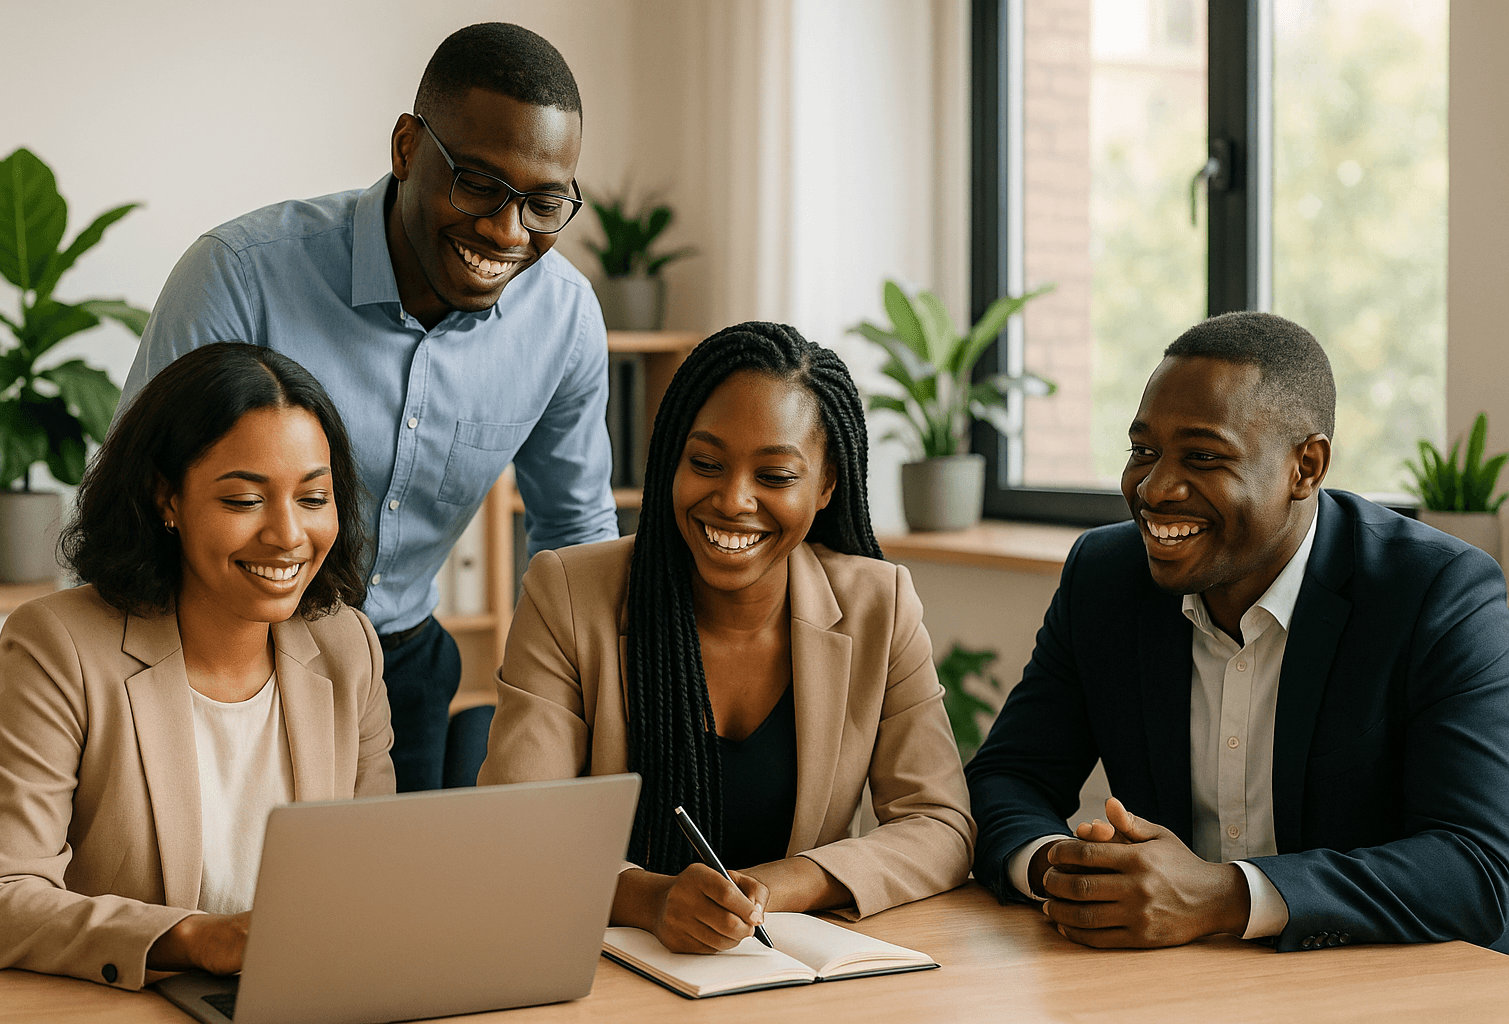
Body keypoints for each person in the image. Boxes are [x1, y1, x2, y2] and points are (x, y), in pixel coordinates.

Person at [118, 23, 618, 792]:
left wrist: (586, 720)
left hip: (399, 667)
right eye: (478, 184)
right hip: (213, 655)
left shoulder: (564, 319)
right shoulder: (240, 275)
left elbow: (574, 539)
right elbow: (141, 500)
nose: (505, 230)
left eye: (545, 203)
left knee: (386, 909)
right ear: (407, 147)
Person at [964, 311, 1509, 953]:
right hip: (1173, 981)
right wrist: (1069, 874)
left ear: (1306, 467)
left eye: (1203, 456)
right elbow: (1007, 778)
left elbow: (1477, 869)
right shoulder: (1106, 578)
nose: (1156, 487)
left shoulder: (1437, 594)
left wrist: (1221, 896)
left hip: (1374, 989)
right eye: (1143, 451)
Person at [479, 322, 975, 954]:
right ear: (670, 462)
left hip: (789, 975)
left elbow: (940, 825)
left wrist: (774, 886)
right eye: (706, 464)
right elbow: (514, 832)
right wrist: (649, 899)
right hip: (608, 972)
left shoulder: (880, 604)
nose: (734, 499)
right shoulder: (570, 595)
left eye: (775, 476)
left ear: (825, 487)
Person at [0, 343, 394, 988]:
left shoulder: (348, 647)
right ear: (166, 498)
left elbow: (372, 879)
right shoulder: (60, 646)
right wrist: (194, 939)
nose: (287, 534)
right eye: (243, 501)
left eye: (313, 498)